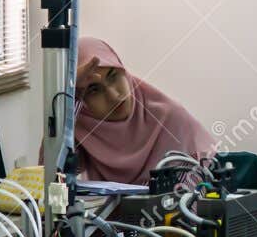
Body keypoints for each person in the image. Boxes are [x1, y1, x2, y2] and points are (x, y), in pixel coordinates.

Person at [74, 37, 214, 185]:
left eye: (113, 76)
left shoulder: (169, 118)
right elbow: (52, 182)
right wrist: (68, 96)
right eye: (94, 89)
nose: (114, 95)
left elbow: (201, 195)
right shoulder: (82, 127)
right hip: (104, 209)